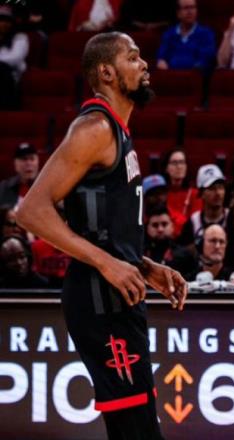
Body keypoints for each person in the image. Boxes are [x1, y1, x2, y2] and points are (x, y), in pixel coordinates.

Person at [16, 32, 187, 440]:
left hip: (117, 291)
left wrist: (141, 265)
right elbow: (31, 211)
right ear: (107, 72)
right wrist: (108, 263)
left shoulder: (118, 130)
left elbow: (102, 227)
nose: (144, 64)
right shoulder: (94, 128)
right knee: (136, 428)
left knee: (138, 422)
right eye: (133, 57)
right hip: (98, 298)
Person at [156, 0, 216, 72]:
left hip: (195, 75)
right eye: (186, 8)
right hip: (171, 74)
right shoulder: (169, 34)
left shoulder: (206, 34)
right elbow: (161, 57)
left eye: (192, 7)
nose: (190, 12)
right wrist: (161, 62)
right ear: (178, 13)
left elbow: (205, 60)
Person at [178, 164, 228, 249]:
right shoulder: (193, 223)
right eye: (212, 188)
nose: (218, 193)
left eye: (220, 188)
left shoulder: (232, 218)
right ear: (201, 193)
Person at [162, 148, 202, 236]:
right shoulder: (161, 194)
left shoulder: (195, 194)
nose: (179, 166)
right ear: (166, 168)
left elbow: (195, 223)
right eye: (174, 163)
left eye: (182, 162)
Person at [0, 5, 28, 109]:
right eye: (1, 20)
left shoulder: (20, 37)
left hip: (11, 76)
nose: (4, 24)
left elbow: (15, 58)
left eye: (7, 21)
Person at [0, 143, 40, 207]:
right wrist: (5, 211)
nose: (28, 163)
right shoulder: (4, 187)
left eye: (32, 159)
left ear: (38, 161)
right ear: (15, 164)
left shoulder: (47, 185)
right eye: (24, 159)